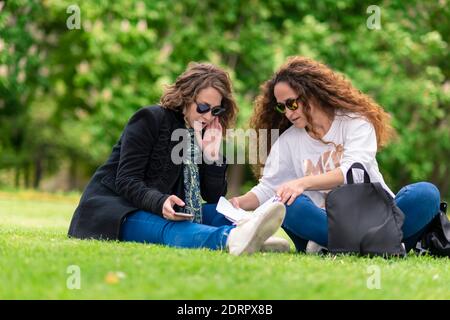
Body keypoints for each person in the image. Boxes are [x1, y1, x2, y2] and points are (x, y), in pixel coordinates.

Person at [68, 62, 287, 256]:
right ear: (185, 97)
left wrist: (212, 156)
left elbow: (211, 196)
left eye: (216, 110)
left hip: (167, 209)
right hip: (118, 210)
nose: (208, 116)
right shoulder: (150, 118)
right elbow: (126, 180)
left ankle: (252, 232)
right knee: (171, 228)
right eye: (203, 107)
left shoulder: (201, 133)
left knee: (218, 211)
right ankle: (232, 239)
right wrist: (160, 201)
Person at [230, 56, 441, 253]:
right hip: (325, 221)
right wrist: (237, 203)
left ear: (311, 93)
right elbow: (269, 188)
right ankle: (385, 245)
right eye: (281, 107)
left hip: (376, 217)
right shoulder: (288, 141)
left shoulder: (356, 122)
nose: (287, 112)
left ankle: (337, 245)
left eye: (292, 103)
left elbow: (353, 172)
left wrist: (303, 182)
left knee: (426, 194)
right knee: (285, 203)